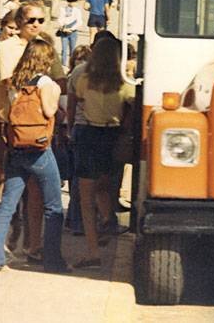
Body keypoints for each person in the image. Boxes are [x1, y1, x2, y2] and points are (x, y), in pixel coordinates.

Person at [0, 38, 70, 273]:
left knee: (7, 205)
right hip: (40, 150)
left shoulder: (14, 83)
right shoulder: (46, 83)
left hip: (16, 149)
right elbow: (49, 111)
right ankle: (53, 261)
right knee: (53, 207)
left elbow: (3, 112)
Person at [71, 36, 134, 268]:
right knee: (105, 187)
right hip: (113, 136)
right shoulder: (124, 83)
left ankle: (92, 252)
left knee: (86, 198)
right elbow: (134, 105)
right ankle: (108, 219)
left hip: (89, 135)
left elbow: (78, 101)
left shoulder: (85, 79)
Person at [64, 44, 91, 236]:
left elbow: (72, 105)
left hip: (79, 127)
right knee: (82, 179)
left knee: (78, 178)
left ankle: (74, 219)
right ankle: (78, 220)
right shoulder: (87, 73)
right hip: (85, 127)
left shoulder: (75, 74)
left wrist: (70, 127)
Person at [58, 0, 82, 66]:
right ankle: (63, 64)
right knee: (64, 49)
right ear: (69, 2)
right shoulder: (62, 9)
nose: (74, 4)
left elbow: (79, 21)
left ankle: (71, 64)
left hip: (73, 31)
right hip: (64, 30)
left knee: (72, 49)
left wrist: (72, 29)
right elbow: (60, 19)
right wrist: (63, 27)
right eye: (73, 2)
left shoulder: (77, 10)